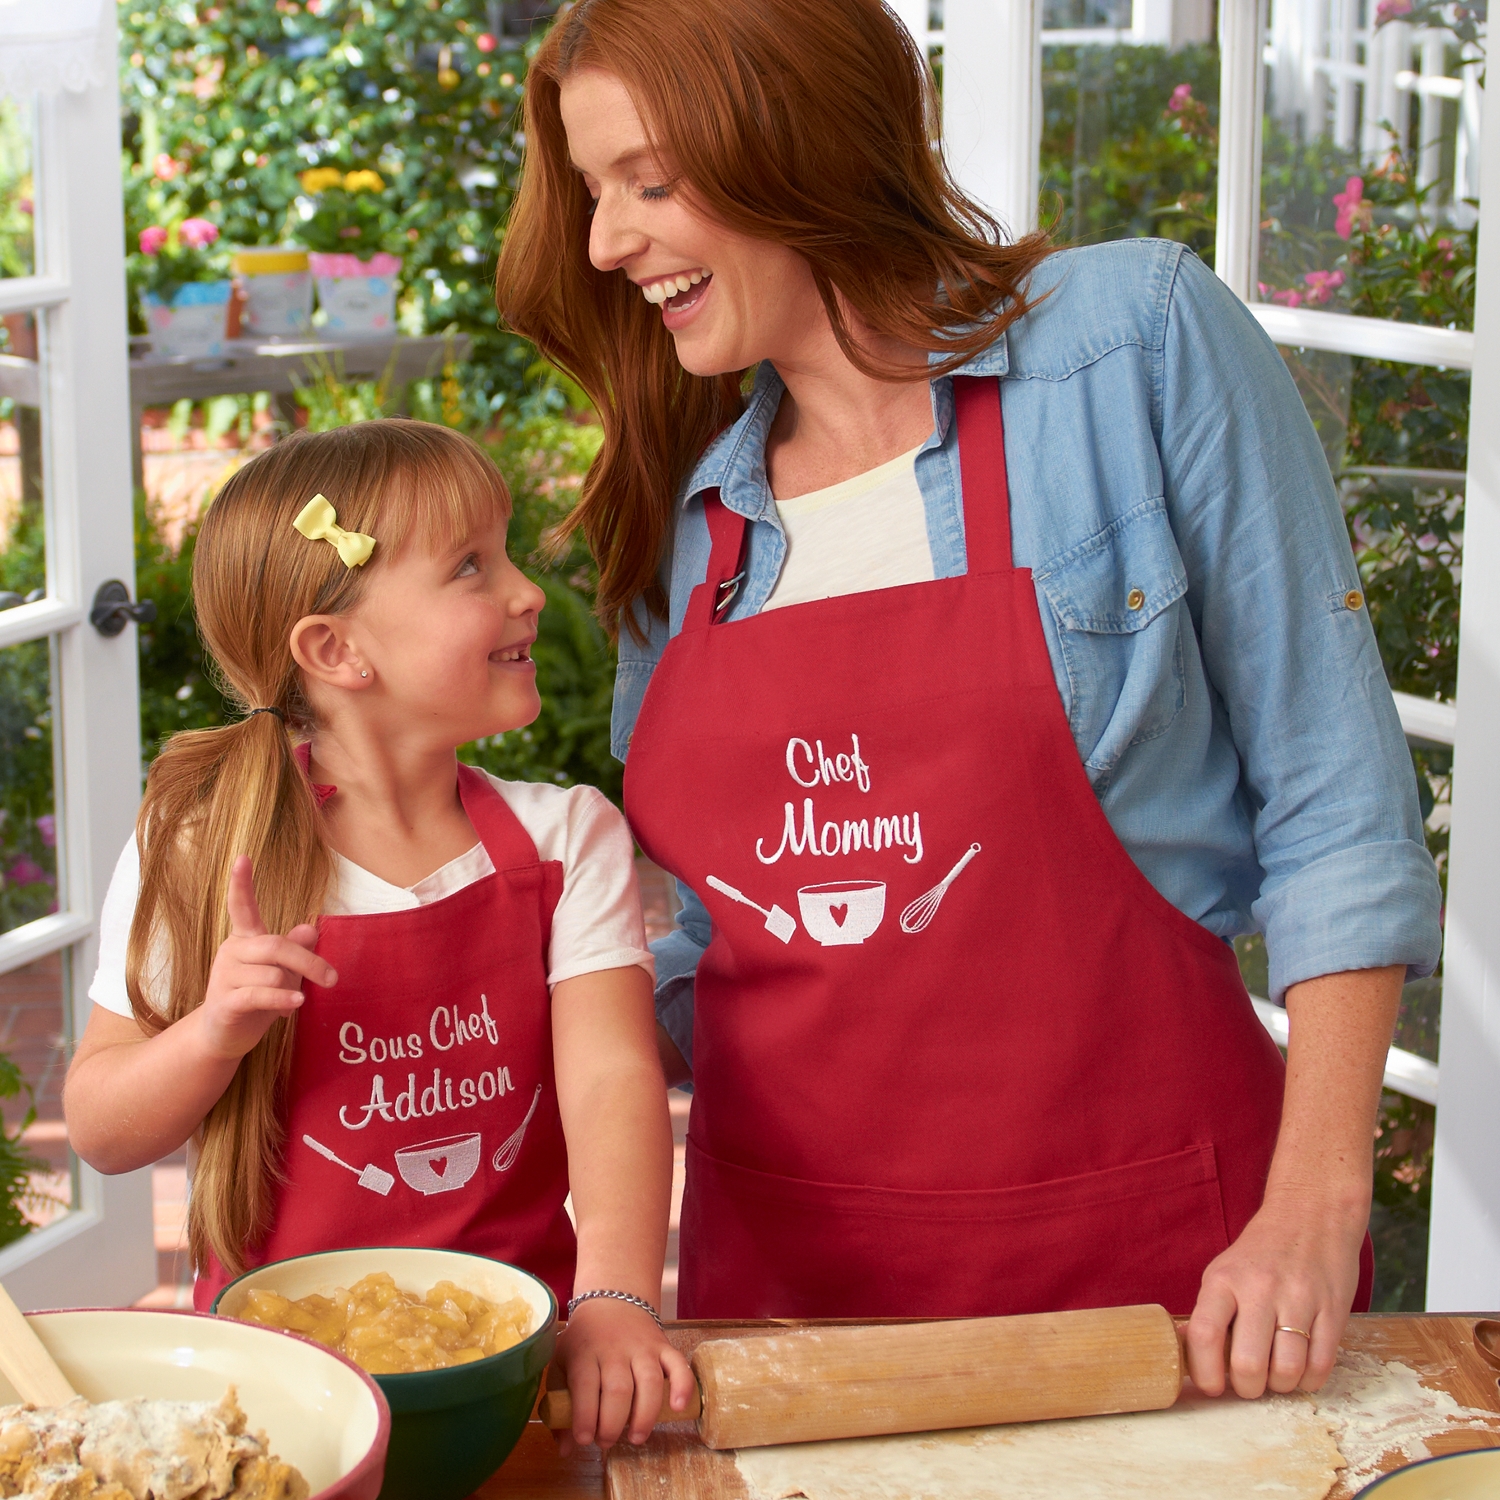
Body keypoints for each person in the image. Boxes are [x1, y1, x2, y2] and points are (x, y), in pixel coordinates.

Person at [496, 0, 1444, 1402]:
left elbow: (1337, 800)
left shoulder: (1128, 347)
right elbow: (703, 949)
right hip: (788, 1316)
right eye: (590, 195)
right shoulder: (685, 511)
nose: (603, 243)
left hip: (1172, 1289)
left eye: (646, 181)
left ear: (795, 138)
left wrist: (1312, 1210)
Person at [64, 420, 694, 1449]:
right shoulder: (201, 849)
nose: (527, 590)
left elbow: (611, 1083)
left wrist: (617, 1298)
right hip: (272, 1393)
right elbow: (100, 1125)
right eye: (470, 567)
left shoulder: (565, 838)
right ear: (336, 649)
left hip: (511, 1376)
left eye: (508, 553)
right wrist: (212, 1033)